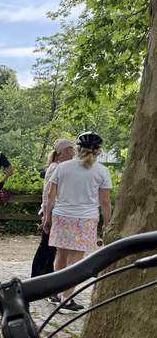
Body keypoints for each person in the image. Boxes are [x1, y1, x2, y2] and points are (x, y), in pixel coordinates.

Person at [43, 131, 112, 312]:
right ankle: (66, 301)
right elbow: (105, 201)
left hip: (62, 216)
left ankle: (56, 293)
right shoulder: (102, 171)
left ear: (77, 149)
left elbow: (51, 195)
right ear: (98, 151)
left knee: (61, 257)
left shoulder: (62, 167)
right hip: (85, 220)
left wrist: (47, 217)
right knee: (75, 262)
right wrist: (107, 223)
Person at [30, 139, 75, 277]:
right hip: (52, 210)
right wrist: (46, 213)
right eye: (72, 150)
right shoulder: (56, 167)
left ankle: (47, 273)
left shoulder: (60, 166)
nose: (74, 153)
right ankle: (38, 274)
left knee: (52, 245)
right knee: (46, 245)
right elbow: (47, 192)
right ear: (65, 151)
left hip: (54, 209)